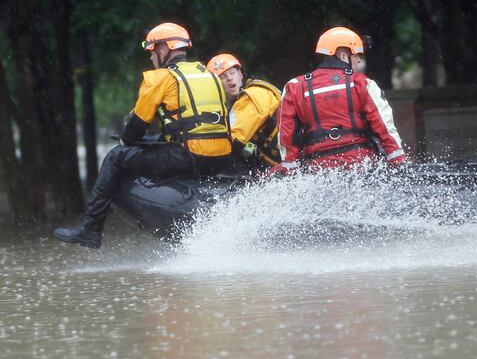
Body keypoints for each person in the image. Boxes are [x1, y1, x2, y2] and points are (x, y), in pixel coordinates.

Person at [54, 23, 232, 248]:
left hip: (189, 156)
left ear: (164, 49)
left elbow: (133, 132)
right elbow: (197, 126)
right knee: (157, 144)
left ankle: (91, 229)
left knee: (116, 157)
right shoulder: (209, 75)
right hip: (221, 157)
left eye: (152, 51)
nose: (151, 58)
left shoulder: (159, 78)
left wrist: (132, 138)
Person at [274, 26, 406, 172]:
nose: (359, 61)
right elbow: (384, 126)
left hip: (318, 170)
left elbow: (286, 135)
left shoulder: (294, 87)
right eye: (356, 55)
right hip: (361, 168)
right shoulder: (362, 84)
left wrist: (291, 170)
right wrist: (398, 161)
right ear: (343, 55)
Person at [207, 53, 282, 171]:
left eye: (232, 73)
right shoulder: (255, 92)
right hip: (282, 163)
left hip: (283, 166)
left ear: (240, 74)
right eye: (222, 77)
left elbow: (232, 141)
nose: (229, 78)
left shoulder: (250, 96)